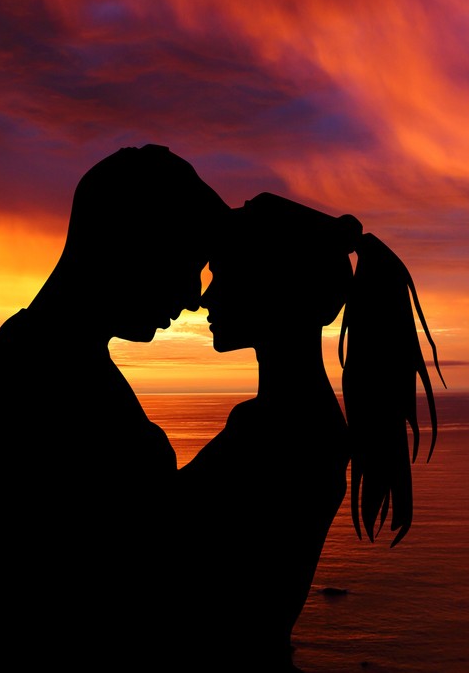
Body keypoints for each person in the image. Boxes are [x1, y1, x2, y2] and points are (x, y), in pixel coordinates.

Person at [0, 145, 228, 672]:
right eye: (187, 262)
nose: (194, 296)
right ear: (132, 245)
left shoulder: (46, 358)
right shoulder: (45, 371)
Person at [177, 193, 442, 671]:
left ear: (273, 287)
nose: (205, 297)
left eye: (221, 274)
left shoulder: (281, 433)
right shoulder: (291, 421)